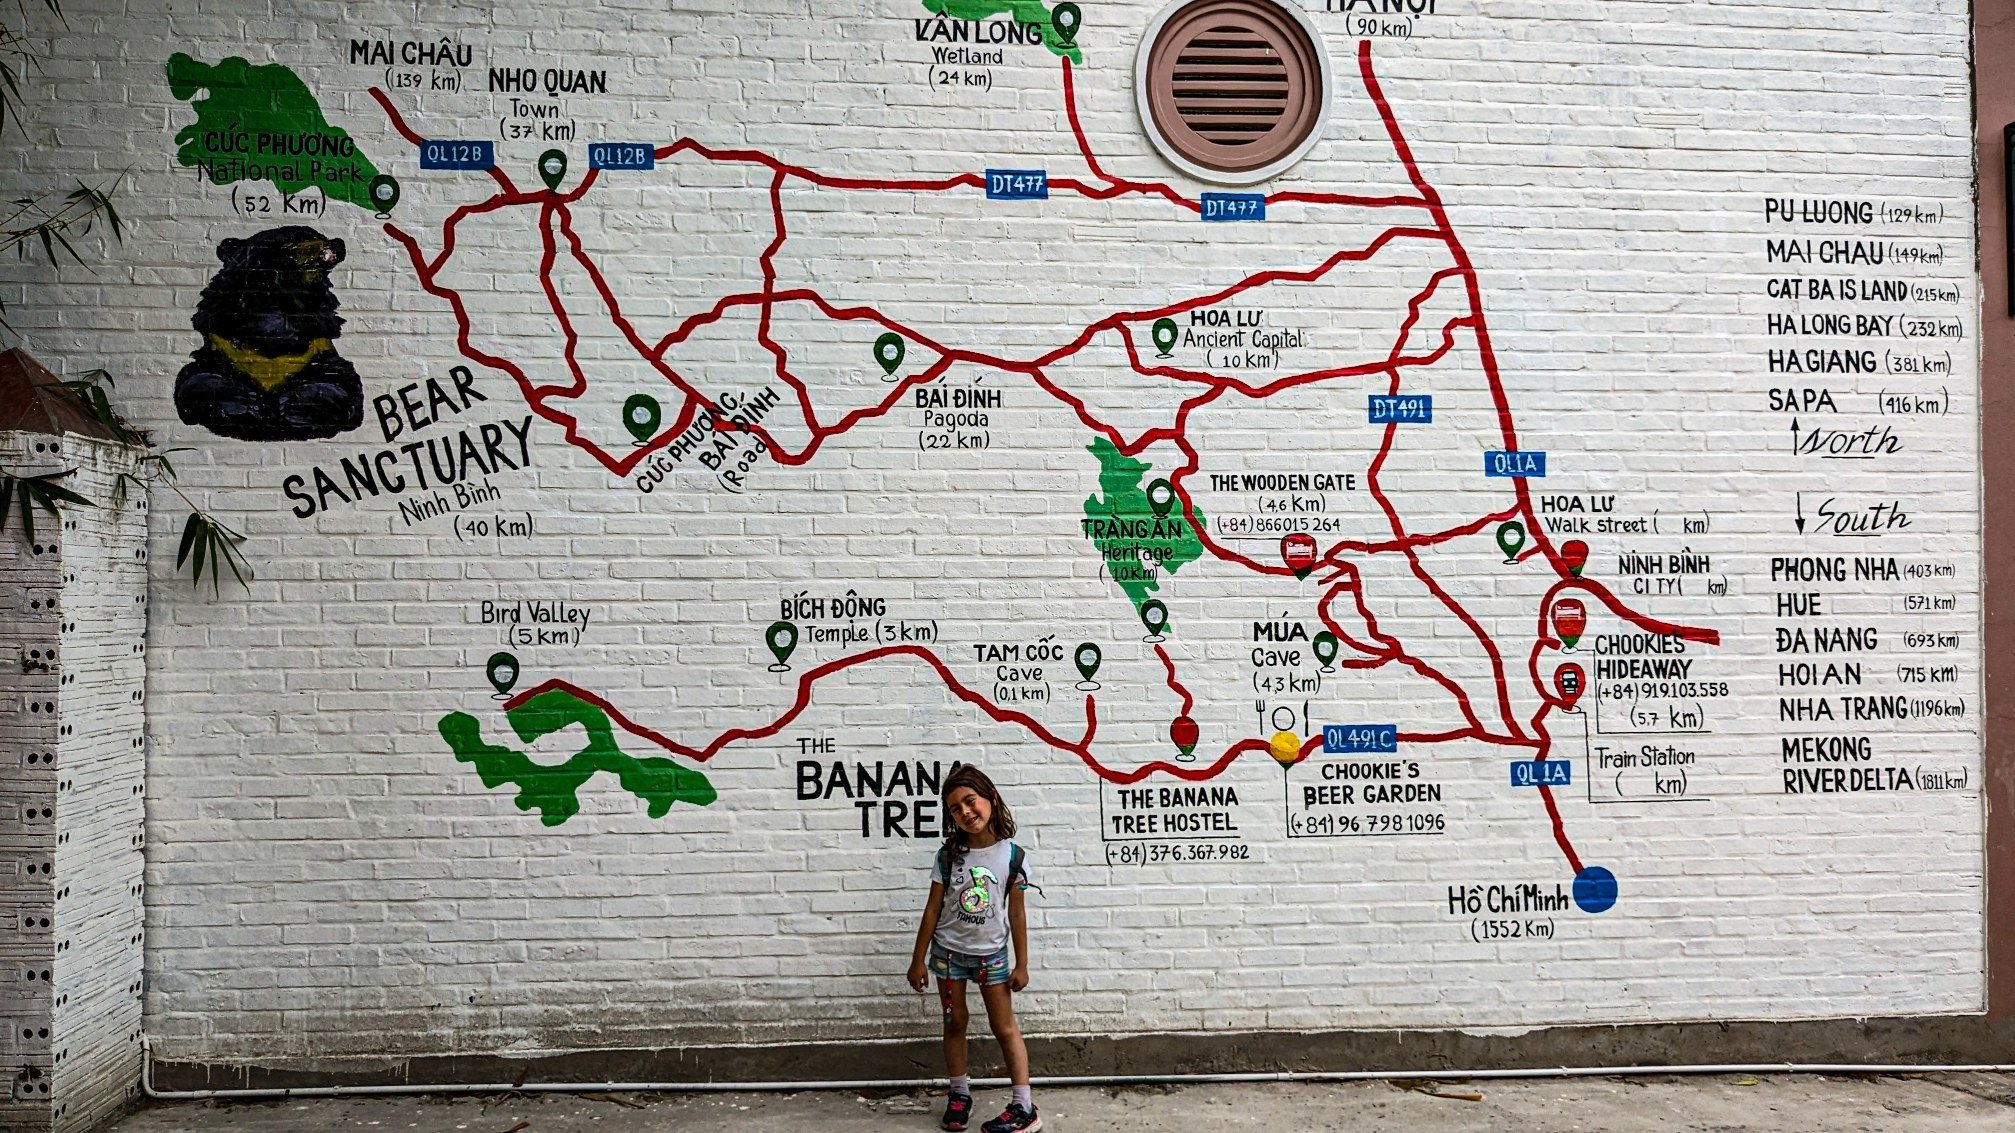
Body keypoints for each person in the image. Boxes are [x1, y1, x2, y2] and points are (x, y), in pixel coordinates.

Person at [906, 764, 1040, 1132]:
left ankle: (1023, 1106)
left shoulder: (1013, 857)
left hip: (992, 958)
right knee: (954, 1022)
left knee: (1004, 1026)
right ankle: (960, 1093)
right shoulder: (948, 857)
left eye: (970, 801)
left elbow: (1017, 913)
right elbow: (933, 909)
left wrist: (1022, 964)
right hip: (948, 957)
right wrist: (918, 960)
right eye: (955, 808)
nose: (965, 812)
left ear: (991, 800)